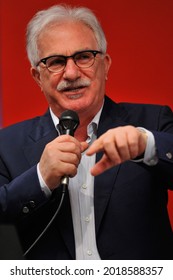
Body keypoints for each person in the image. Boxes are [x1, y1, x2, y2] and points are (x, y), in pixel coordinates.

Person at [0, 4, 173, 260]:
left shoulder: (152, 121)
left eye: (84, 57)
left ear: (105, 65)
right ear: (37, 77)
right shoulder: (6, 144)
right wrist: (40, 178)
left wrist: (145, 145)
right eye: (56, 62)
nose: (71, 73)